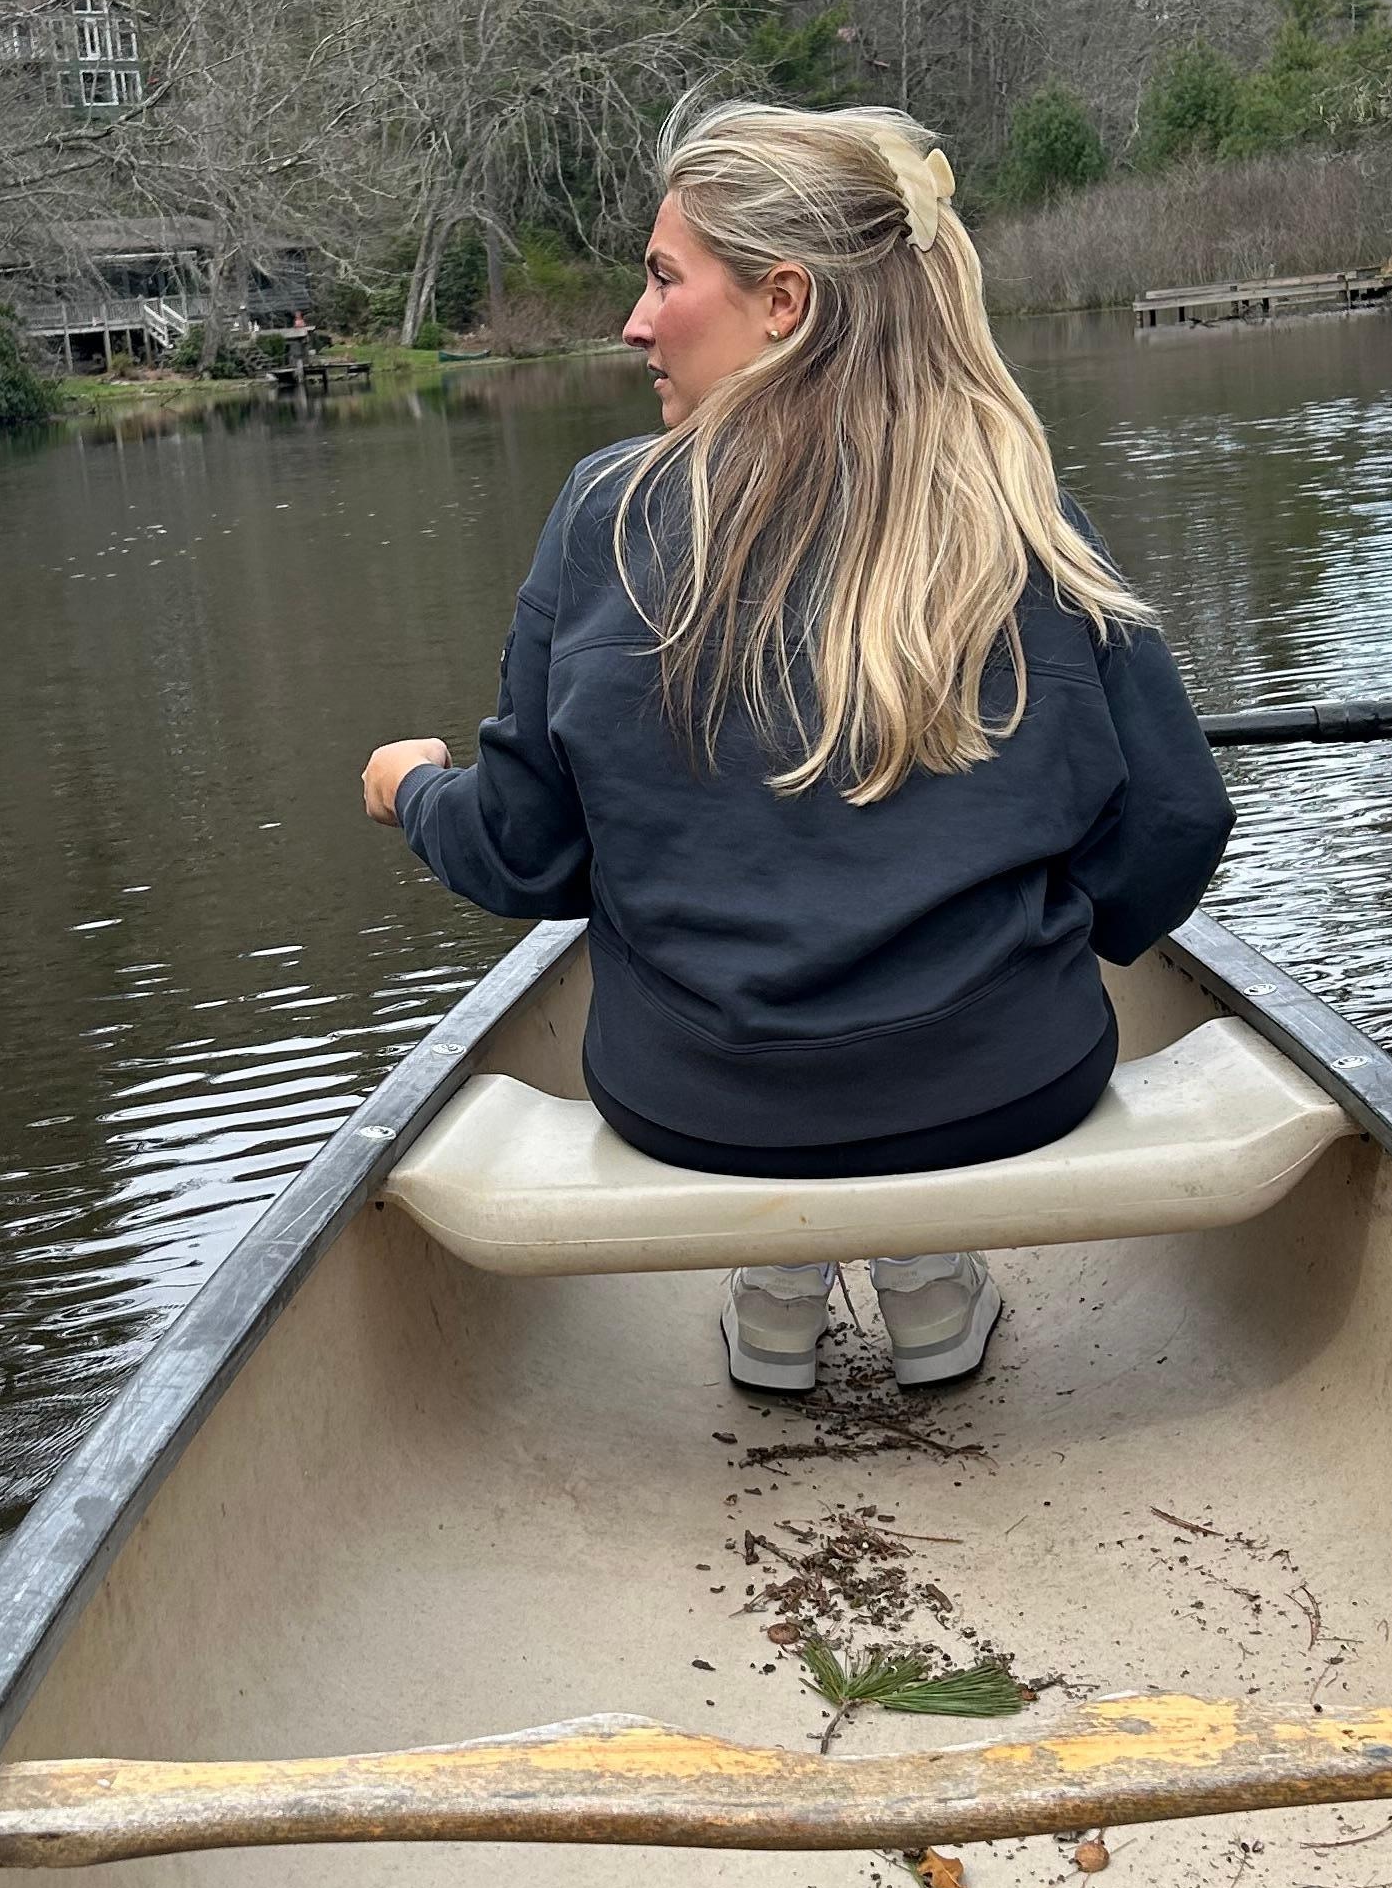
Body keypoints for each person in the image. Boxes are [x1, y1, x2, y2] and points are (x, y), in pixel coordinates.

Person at [360, 97, 1234, 1398]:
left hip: (693, 1106)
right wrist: (1049, 933)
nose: (634, 320)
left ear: (783, 299)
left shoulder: (604, 514)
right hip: (1009, 1081)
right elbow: (1172, 824)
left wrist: (412, 790)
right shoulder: (1012, 504)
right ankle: (931, 1284)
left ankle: (774, 1289)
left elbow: (528, 857)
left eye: (663, 277)